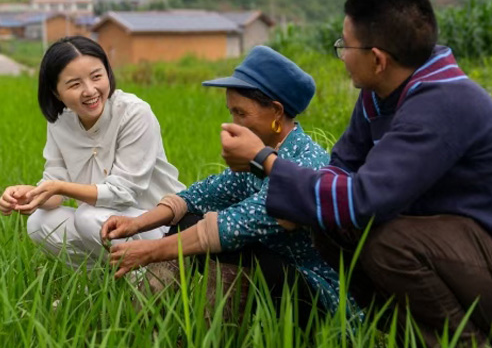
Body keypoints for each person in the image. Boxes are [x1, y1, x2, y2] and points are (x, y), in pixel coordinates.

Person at [219, 0, 492, 348]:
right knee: (332, 226)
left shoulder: (443, 102)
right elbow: (341, 169)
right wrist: (296, 193)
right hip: (467, 259)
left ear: (377, 59)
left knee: (386, 240)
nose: (342, 56)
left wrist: (264, 159)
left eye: (345, 46)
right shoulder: (381, 94)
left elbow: (363, 201)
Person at [101, 46, 355, 322]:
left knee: (234, 248)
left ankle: (212, 333)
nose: (232, 123)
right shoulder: (260, 156)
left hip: (317, 294)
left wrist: (148, 251)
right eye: (231, 112)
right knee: (187, 220)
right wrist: (136, 224)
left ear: (276, 112)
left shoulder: (305, 163)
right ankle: (148, 320)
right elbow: (199, 196)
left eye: (241, 113)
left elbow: (233, 226)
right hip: (277, 273)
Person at [0, 36, 185, 267]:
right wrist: (30, 196)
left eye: (97, 76)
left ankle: (151, 279)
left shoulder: (134, 113)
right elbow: (56, 185)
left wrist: (60, 187)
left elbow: (123, 193)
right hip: (104, 220)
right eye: (75, 84)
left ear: (108, 73)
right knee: (39, 222)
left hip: (161, 225)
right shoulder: (60, 122)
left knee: (88, 217)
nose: (90, 90)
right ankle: (102, 280)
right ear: (56, 92)